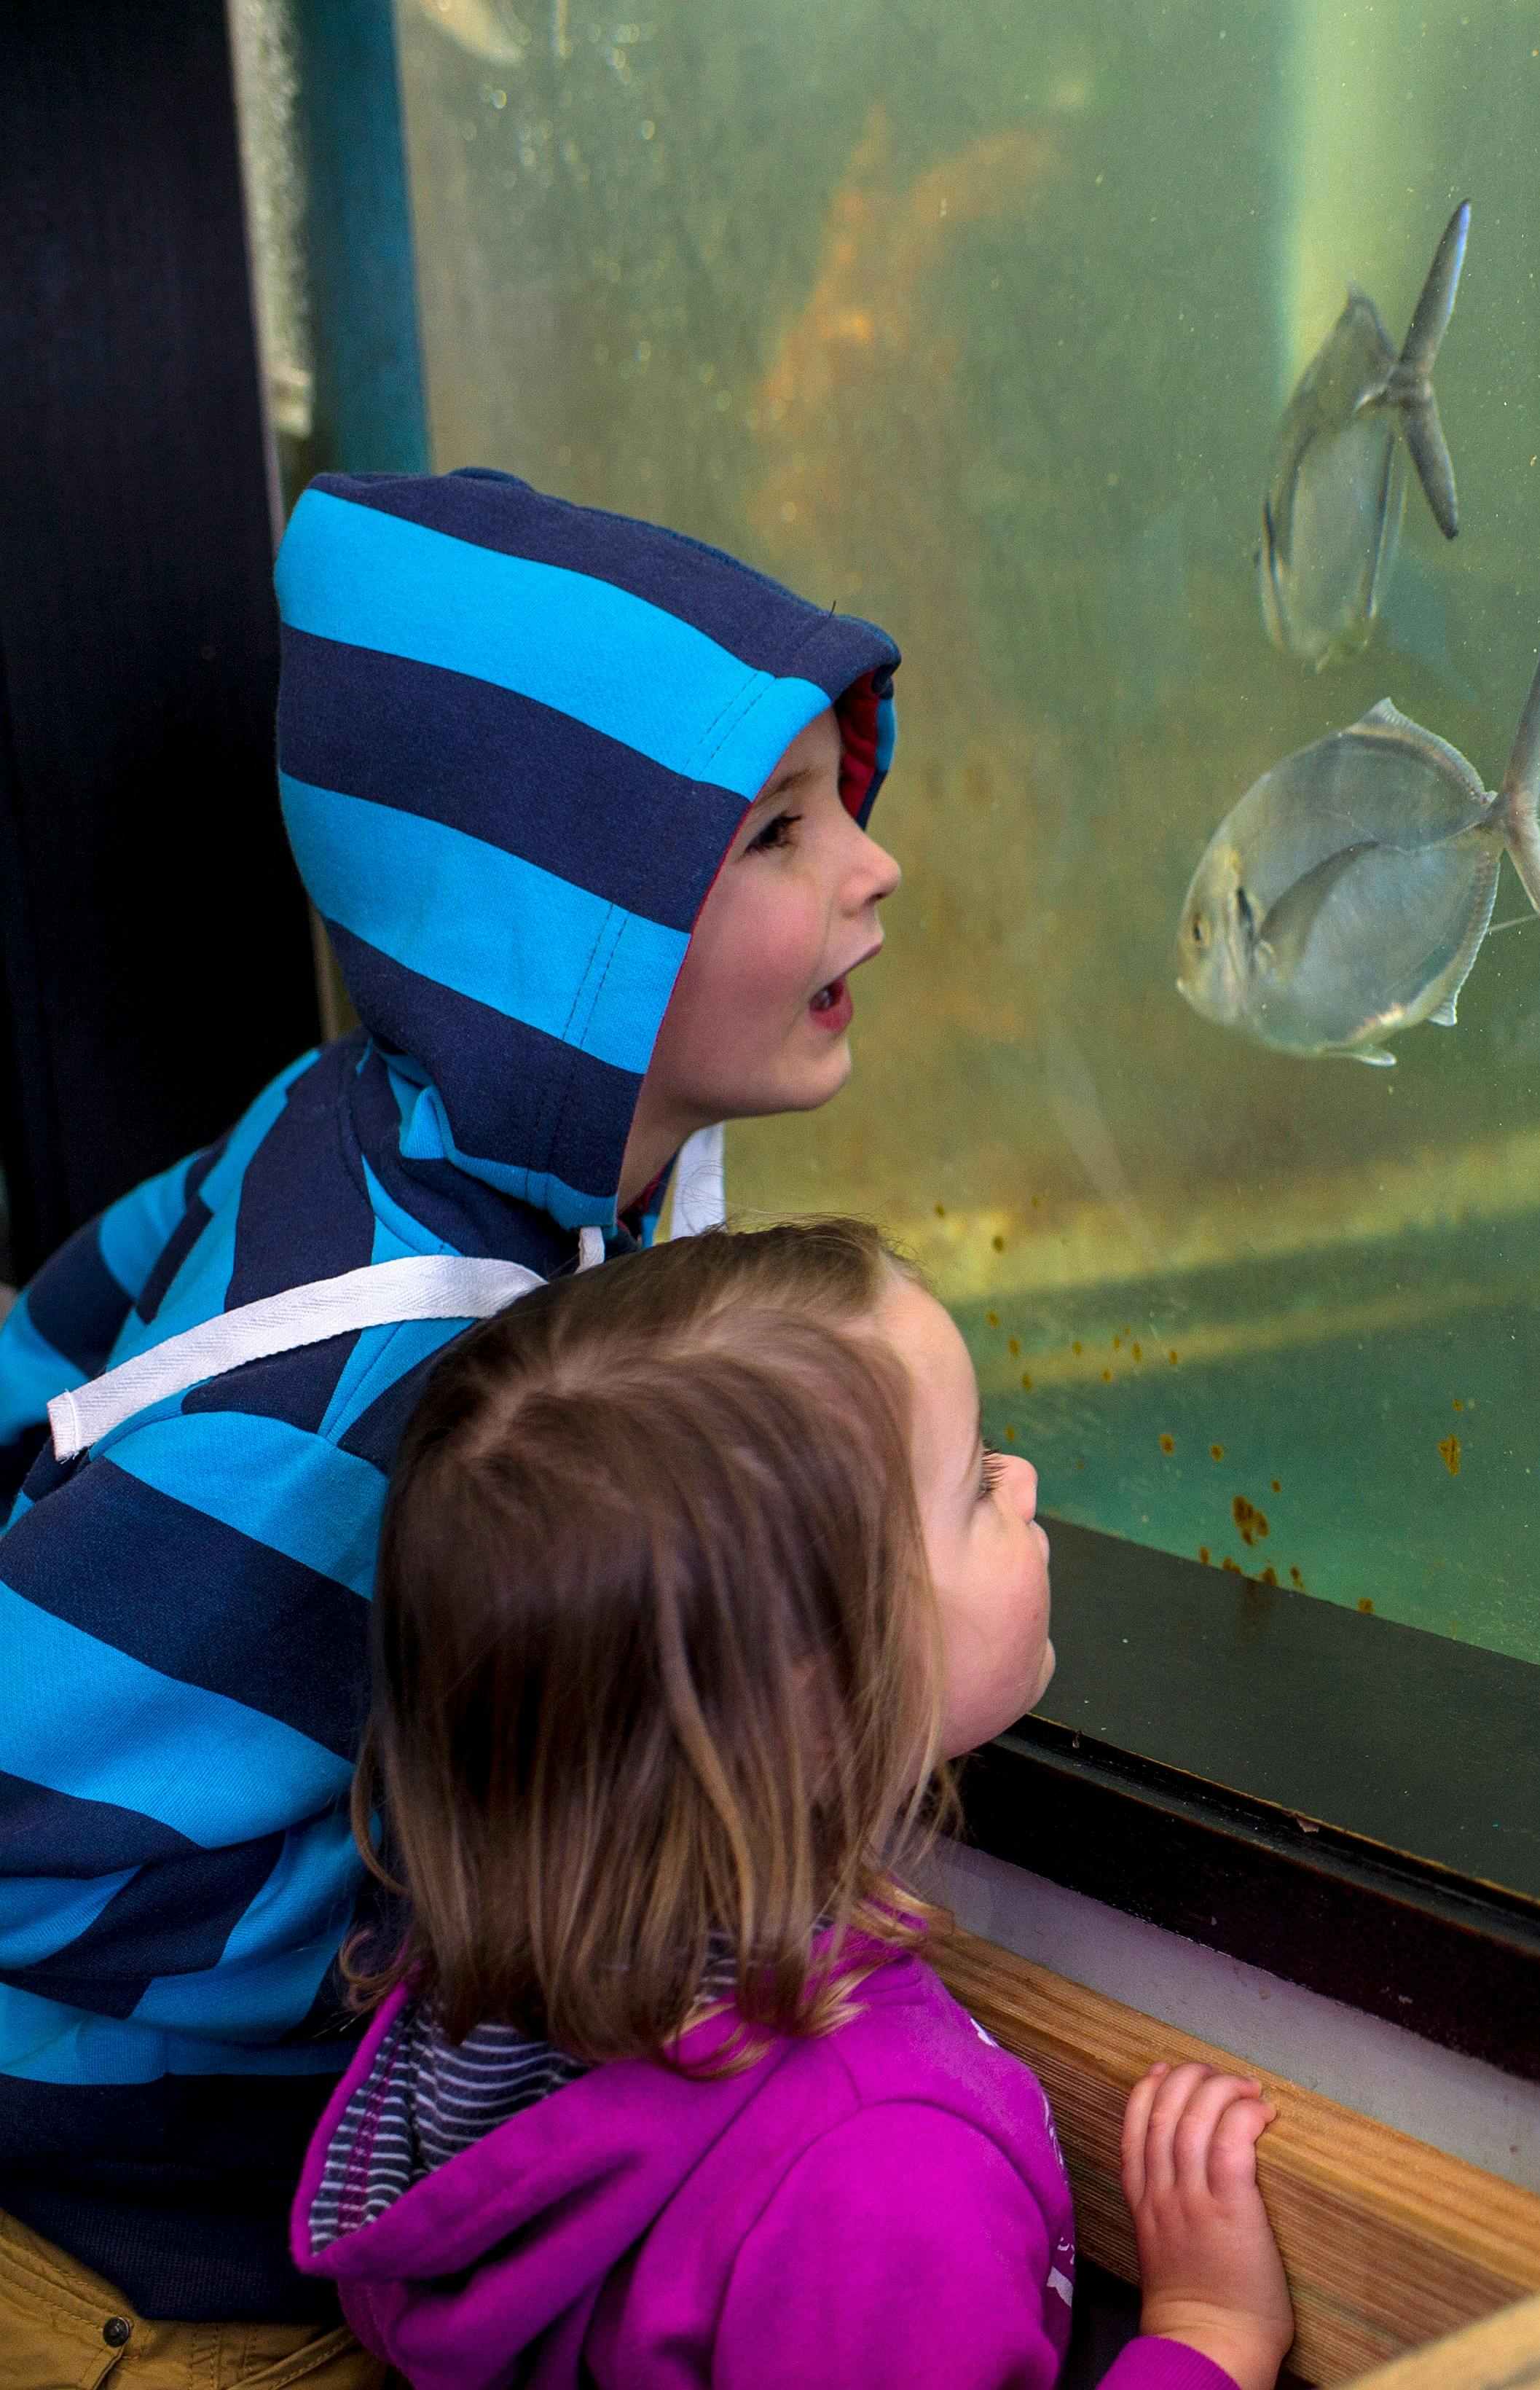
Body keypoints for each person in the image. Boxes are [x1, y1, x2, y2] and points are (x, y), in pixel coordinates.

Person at [0, 469, 903, 2381]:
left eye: (843, 805)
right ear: (548, 932)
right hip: (142, 2102)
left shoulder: (536, 1160)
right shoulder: (338, 1377)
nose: (875, 867)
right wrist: (344, 1959)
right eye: (771, 835)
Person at [294, 1221, 1292, 2390]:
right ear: (820, 1705)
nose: (1021, 1481)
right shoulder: (886, 2179)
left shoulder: (476, 2017)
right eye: (973, 1482)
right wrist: (1205, 2338)